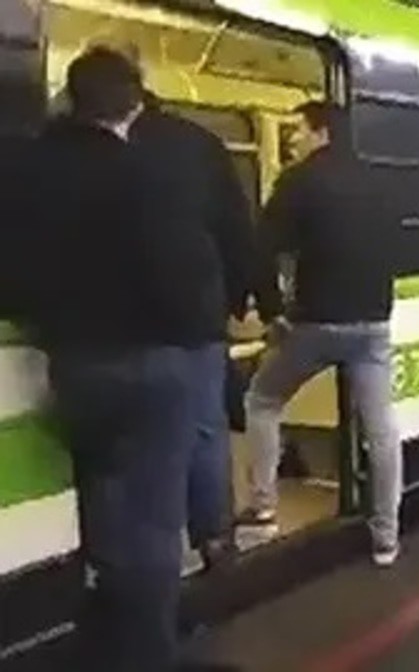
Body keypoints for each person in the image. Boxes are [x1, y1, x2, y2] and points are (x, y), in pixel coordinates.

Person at [8, 47, 244, 671]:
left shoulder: (25, 168)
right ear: (134, 101)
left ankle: (106, 638)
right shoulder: (145, 172)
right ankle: (146, 656)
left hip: (74, 366)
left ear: (69, 98)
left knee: (105, 508)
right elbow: (183, 271)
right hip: (149, 365)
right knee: (152, 529)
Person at [237, 101, 404, 568]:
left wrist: (272, 311)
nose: (293, 140)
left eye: (298, 130)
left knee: (262, 400)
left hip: (316, 322)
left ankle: (263, 507)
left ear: (322, 133)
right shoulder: (379, 181)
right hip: (373, 324)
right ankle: (386, 539)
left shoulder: (299, 181)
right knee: (381, 428)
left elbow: (260, 249)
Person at [131, 89, 256, 574]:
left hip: (115, 326)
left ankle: (138, 556)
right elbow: (235, 228)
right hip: (195, 315)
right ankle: (214, 541)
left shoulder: (81, 148)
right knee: (205, 428)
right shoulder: (200, 144)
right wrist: (240, 298)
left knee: (136, 439)